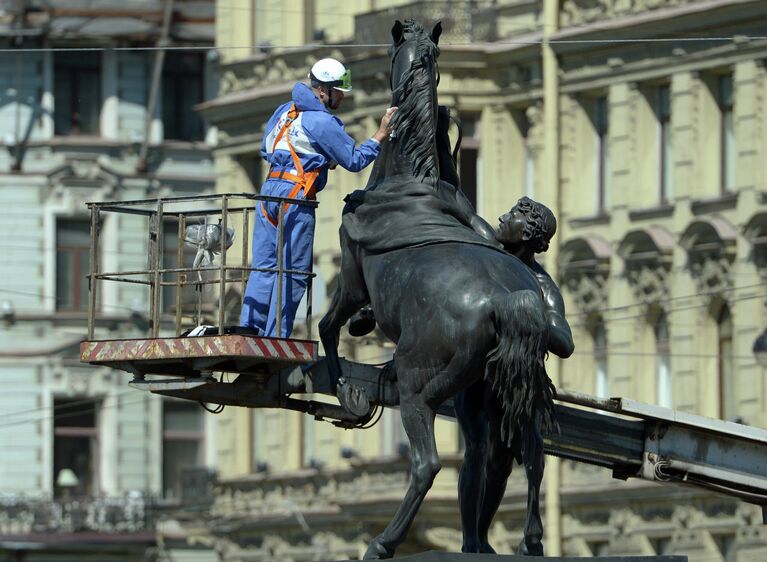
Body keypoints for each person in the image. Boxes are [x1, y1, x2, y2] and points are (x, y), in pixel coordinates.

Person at [240, 58, 397, 337]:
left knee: (264, 266)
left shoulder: (284, 111)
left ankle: (250, 328)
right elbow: (354, 160)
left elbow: (267, 149)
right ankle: (276, 336)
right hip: (296, 196)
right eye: (339, 91)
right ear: (323, 90)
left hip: (268, 194)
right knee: (294, 272)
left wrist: (316, 159)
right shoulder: (322, 122)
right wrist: (380, 134)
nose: (342, 96)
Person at [495, 196, 573, 358]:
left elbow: (566, 344)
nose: (503, 218)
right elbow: (468, 215)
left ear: (527, 233)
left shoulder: (544, 287)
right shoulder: (487, 243)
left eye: (512, 215)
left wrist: (532, 316)